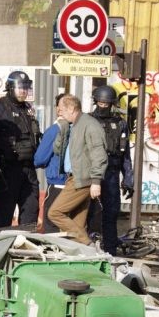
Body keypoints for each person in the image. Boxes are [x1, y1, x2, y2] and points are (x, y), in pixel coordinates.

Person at [47, 95, 108, 246]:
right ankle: (83, 253)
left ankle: (86, 243)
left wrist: (96, 181)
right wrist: (62, 130)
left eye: (61, 110)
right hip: (73, 177)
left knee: (55, 212)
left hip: (82, 179)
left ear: (72, 109)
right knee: (77, 223)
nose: (59, 113)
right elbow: (56, 150)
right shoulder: (71, 125)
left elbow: (98, 154)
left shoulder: (90, 125)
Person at [0, 71, 41, 227]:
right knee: (5, 212)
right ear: (10, 88)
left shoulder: (27, 109)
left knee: (31, 208)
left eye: (26, 87)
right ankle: (2, 246)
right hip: (8, 169)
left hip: (28, 168)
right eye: (20, 87)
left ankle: (27, 244)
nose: (24, 91)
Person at [89, 86, 133, 254]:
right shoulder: (87, 120)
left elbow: (125, 155)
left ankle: (110, 252)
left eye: (107, 103)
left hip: (112, 174)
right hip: (92, 173)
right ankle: (89, 249)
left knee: (111, 214)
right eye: (100, 102)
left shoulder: (120, 123)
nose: (103, 106)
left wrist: (128, 178)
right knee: (90, 214)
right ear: (95, 101)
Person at [34, 94, 68, 233]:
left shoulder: (54, 130)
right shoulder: (79, 128)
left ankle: (51, 250)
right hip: (75, 183)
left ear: (58, 110)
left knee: (50, 219)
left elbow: (40, 158)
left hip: (57, 181)